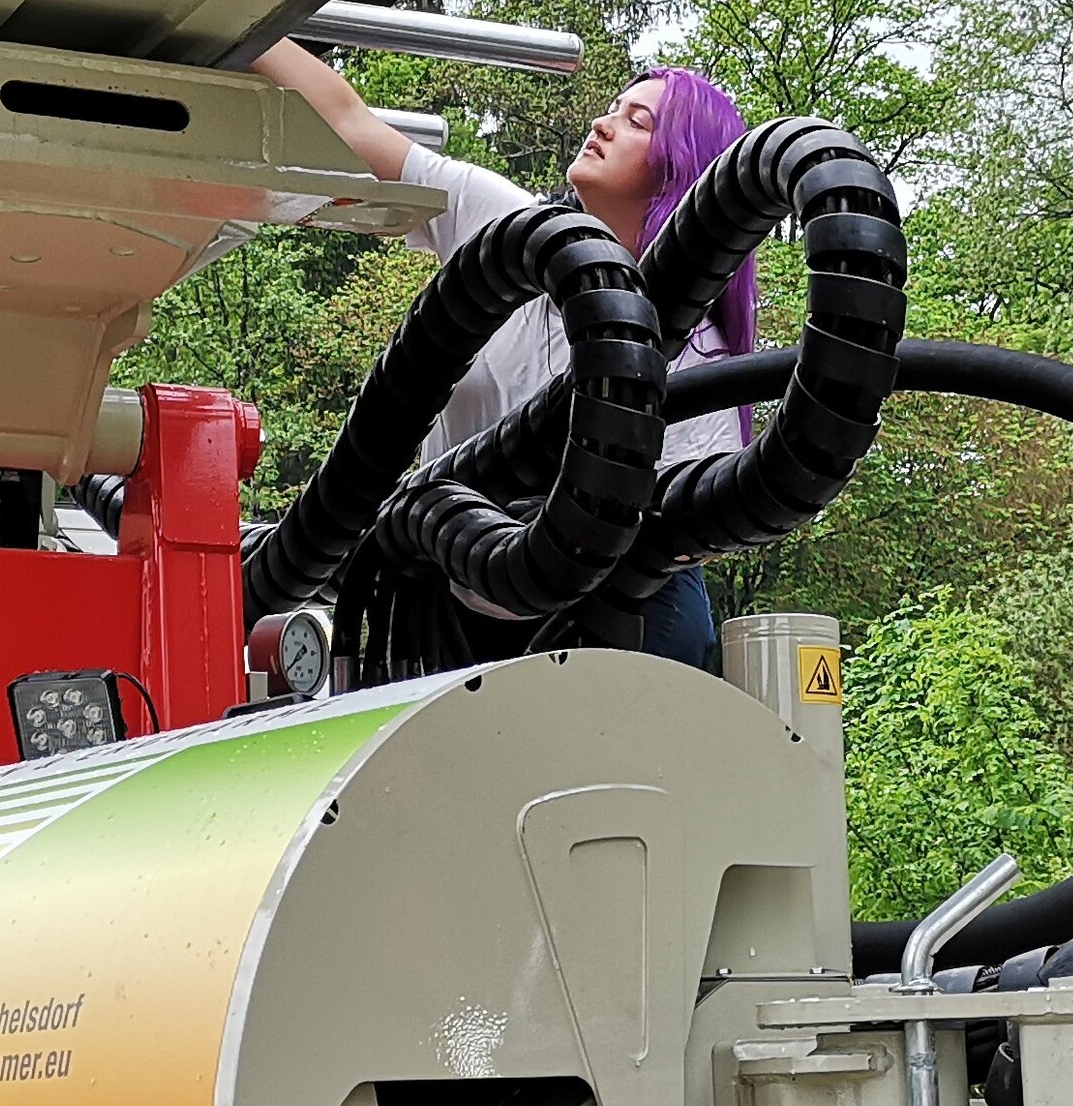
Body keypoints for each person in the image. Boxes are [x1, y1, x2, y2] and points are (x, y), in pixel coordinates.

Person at [250, 38, 757, 670]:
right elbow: (354, 128)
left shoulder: (696, 351)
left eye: (637, 121)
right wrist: (253, 29)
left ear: (680, 167)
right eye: (613, 107)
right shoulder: (507, 232)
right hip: (444, 594)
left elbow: (685, 528)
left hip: (619, 623)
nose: (603, 122)